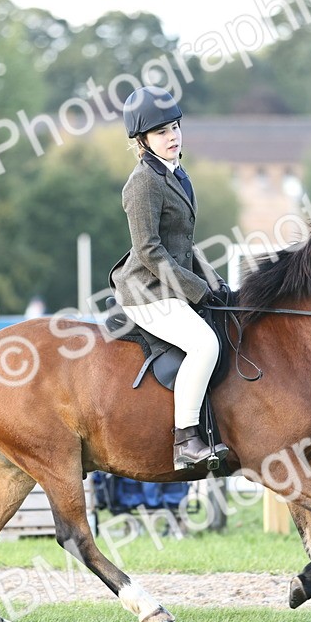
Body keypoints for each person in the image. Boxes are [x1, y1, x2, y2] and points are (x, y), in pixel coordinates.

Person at [108, 85, 230, 471]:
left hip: (170, 282)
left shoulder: (178, 174)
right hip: (146, 292)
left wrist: (214, 282)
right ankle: (186, 440)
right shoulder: (142, 183)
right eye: (162, 132)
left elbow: (184, 245)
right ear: (143, 140)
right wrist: (196, 290)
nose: (173, 136)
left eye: (175, 127)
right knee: (205, 345)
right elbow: (149, 250)